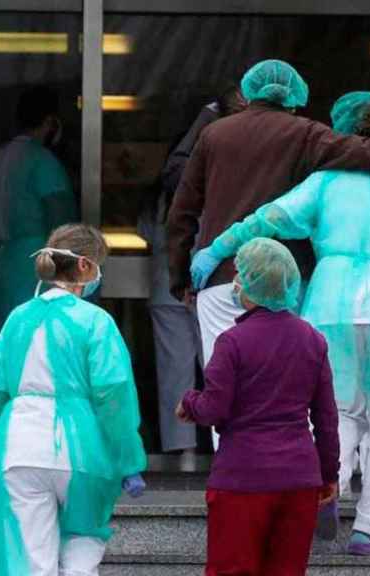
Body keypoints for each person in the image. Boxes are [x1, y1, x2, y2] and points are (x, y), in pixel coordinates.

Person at [192, 95, 370, 556]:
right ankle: (367, 530)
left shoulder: (328, 182)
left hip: (330, 304)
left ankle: (329, 491)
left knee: (337, 409)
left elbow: (269, 218)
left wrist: (217, 248)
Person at [167, 60, 370, 426]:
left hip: (221, 279)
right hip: (286, 286)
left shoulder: (214, 135)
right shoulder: (307, 134)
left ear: (248, 93)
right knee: (285, 392)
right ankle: (277, 475)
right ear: (295, 98)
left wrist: (181, 277)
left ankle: (236, 474)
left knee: (226, 388)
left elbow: (182, 210)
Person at [0, 224, 148, 576]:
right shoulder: (96, 321)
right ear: (85, 266)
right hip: (82, 450)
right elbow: (113, 393)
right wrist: (129, 460)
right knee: (82, 548)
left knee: (31, 563)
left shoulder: (17, 318)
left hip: (17, 449)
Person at [176, 238, 340, 575]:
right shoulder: (312, 340)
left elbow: (214, 409)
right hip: (298, 477)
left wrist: (189, 402)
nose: (236, 283)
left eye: (239, 275)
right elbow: (326, 418)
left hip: (242, 476)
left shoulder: (232, 342)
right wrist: (328, 474)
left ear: (248, 284)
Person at [143, 85, 245, 459]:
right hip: (213, 285)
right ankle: (225, 445)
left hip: (169, 287)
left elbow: (147, 233)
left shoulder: (162, 189)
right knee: (220, 367)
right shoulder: (222, 178)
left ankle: (182, 452)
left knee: (175, 372)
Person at [0, 86, 78, 362]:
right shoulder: (43, 161)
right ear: (51, 122)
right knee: (35, 360)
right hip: (33, 274)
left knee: (2, 361)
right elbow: (62, 225)